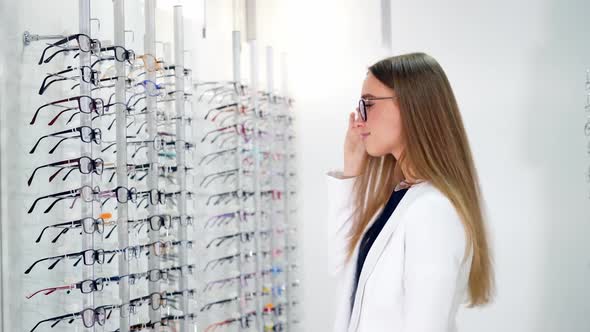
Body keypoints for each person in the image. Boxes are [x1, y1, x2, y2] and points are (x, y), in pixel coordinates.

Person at [325, 52, 495, 332]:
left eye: (368, 104)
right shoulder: (398, 198)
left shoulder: (433, 211)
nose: (359, 119)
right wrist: (352, 169)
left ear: (411, 106)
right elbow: (341, 267)